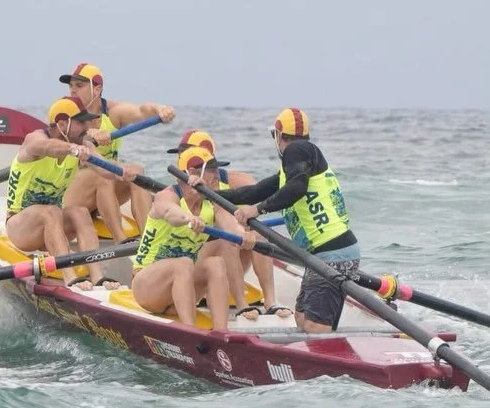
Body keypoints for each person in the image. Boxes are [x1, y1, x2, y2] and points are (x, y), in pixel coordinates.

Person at [211, 108, 358, 333]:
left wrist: (258, 210)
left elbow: (296, 189)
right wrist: (208, 194)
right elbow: (251, 192)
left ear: (279, 135)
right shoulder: (297, 165)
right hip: (322, 254)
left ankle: (334, 365)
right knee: (301, 318)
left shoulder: (297, 150)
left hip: (332, 253)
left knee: (314, 325)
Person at [5, 95, 140, 291]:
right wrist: (72, 149)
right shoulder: (34, 140)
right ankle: (69, 277)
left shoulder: (83, 144)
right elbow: (47, 147)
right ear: (62, 124)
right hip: (20, 227)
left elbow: (105, 170)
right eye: (81, 122)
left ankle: (97, 276)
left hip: (54, 226)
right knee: (50, 211)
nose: (87, 127)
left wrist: (122, 171)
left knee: (80, 212)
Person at [167, 130, 292, 319]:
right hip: (193, 263)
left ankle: (270, 301)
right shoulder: (177, 191)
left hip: (225, 255)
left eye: (185, 152)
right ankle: (241, 304)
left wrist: (246, 225)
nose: (181, 157)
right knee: (228, 240)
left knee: (257, 233)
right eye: (181, 153)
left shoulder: (235, 180)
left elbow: (253, 200)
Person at [130, 147, 256, 331]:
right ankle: (190, 332)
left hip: (183, 291)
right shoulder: (167, 196)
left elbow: (230, 225)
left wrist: (243, 234)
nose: (216, 176)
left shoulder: (211, 204)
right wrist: (189, 219)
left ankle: (222, 333)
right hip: (147, 288)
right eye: (212, 171)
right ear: (193, 174)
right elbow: (170, 213)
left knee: (215, 264)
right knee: (183, 263)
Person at [58, 63, 175, 242]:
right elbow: (65, 137)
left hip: (106, 194)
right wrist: (89, 134)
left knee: (136, 170)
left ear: (97, 90)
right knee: (102, 174)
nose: (73, 91)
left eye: (79, 86)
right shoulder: (64, 112)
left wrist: (160, 109)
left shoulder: (113, 112)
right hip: (72, 195)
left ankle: (147, 241)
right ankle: (121, 241)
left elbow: (141, 111)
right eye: (71, 86)